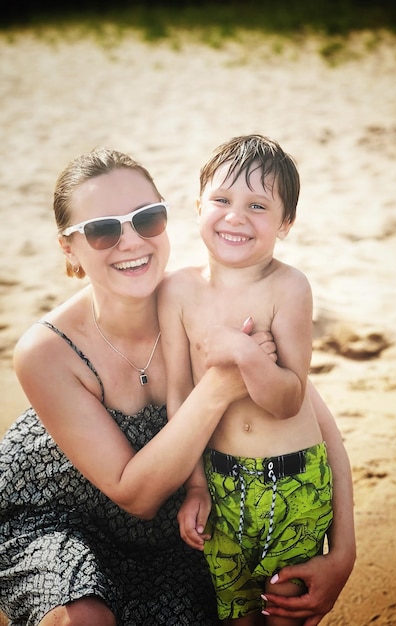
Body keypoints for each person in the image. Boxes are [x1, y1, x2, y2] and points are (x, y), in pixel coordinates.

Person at [0, 147, 354, 626]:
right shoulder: (45, 351)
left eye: (146, 219)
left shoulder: (201, 299)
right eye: (103, 230)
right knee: (84, 620)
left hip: (176, 532)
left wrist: (344, 552)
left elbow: (313, 417)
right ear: (69, 248)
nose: (129, 242)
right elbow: (136, 494)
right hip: (65, 516)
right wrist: (222, 383)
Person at [157, 135, 355, 625]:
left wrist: (246, 355)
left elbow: (288, 399)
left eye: (258, 205)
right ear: (197, 205)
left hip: (294, 486)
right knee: (235, 616)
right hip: (220, 488)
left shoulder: (288, 287)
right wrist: (197, 486)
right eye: (221, 200)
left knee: (287, 613)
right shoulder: (178, 291)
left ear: (285, 224)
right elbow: (179, 394)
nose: (235, 216)